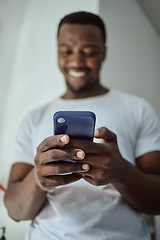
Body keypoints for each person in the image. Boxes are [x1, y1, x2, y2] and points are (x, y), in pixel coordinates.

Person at [4, 11, 160, 240]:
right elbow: (15, 211)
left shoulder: (138, 108)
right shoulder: (34, 117)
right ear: (57, 52)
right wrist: (38, 179)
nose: (76, 62)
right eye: (66, 51)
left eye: (89, 52)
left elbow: (157, 202)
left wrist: (122, 173)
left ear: (104, 53)